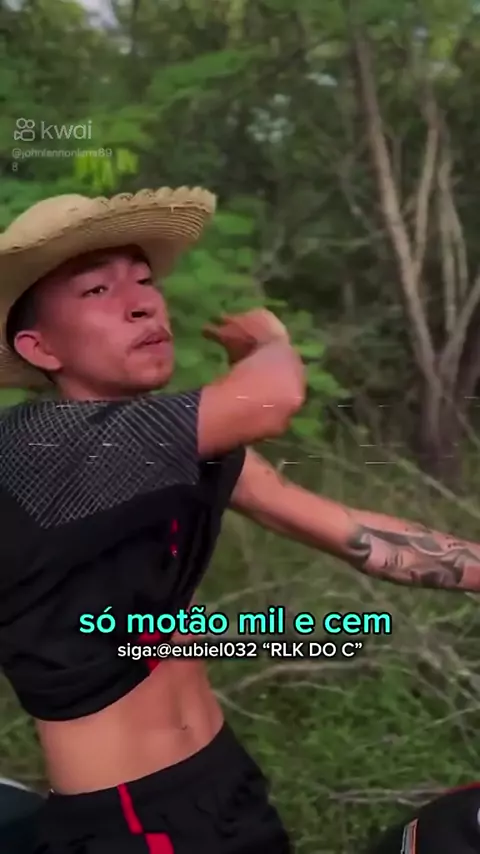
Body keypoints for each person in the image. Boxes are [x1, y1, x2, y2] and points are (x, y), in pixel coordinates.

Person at [1, 188, 480, 854]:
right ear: (40, 347)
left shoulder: (172, 446)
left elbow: (355, 534)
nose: (142, 302)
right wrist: (270, 342)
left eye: (144, 281)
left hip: (222, 782)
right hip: (132, 822)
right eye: (96, 291)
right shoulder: (33, 445)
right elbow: (272, 396)